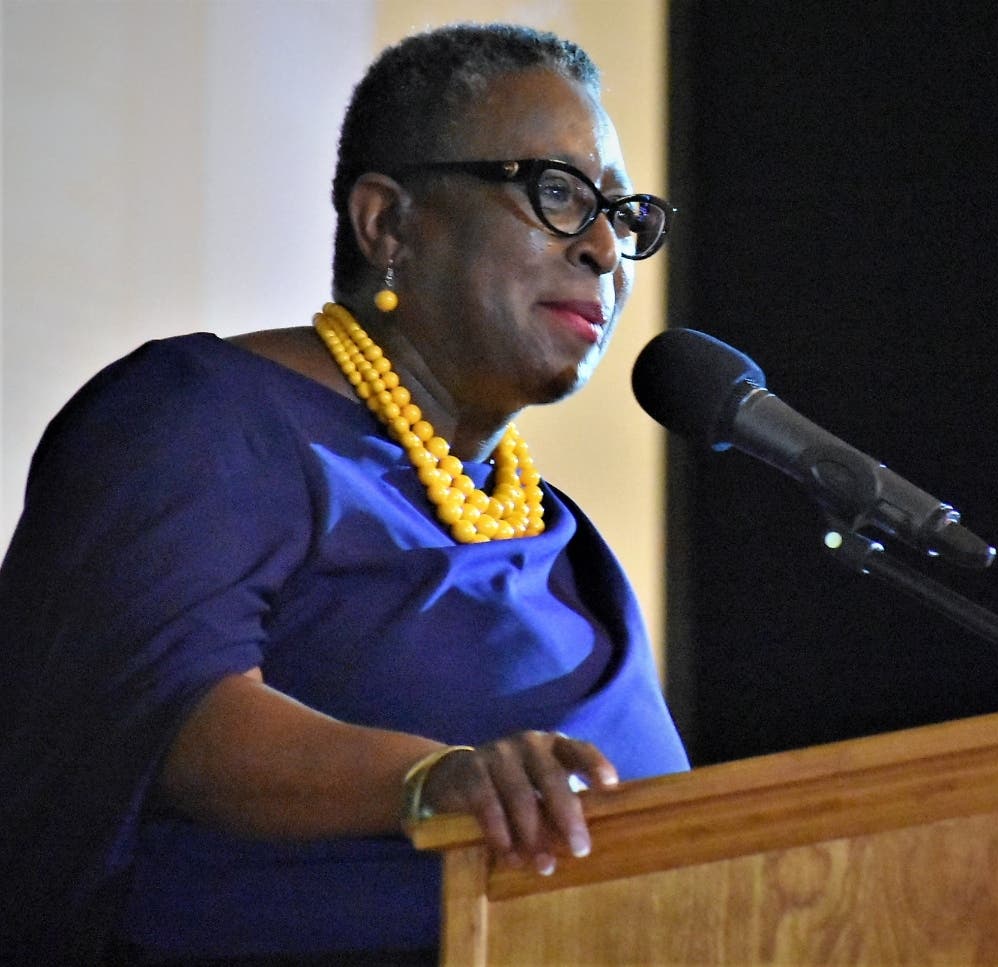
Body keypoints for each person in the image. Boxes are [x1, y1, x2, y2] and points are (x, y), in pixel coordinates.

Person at [0, 23, 688, 965]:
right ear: (388, 223)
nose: (606, 249)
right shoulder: (200, 418)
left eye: (627, 215)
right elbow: (164, 713)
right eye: (558, 193)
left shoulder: (557, 532)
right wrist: (434, 782)